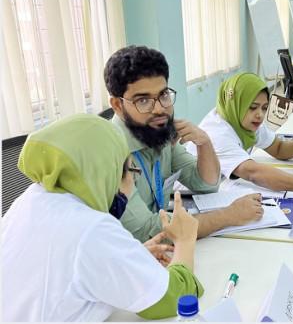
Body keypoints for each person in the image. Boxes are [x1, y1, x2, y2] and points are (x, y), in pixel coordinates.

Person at [1, 114, 203, 321]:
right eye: (131, 171)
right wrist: (185, 239)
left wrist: (124, 258)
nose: (131, 183)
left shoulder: (28, 200)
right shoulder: (92, 227)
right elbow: (172, 299)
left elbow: (59, 270)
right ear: (108, 172)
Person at [105, 45, 263, 242]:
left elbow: (205, 184)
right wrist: (230, 215)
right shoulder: (110, 155)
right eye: (143, 100)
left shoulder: (156, 133)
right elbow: (147, 231)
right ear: (118, 105)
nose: (160, 110)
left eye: (163, 95)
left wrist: (204, 142)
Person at [187, 73, 293, 204]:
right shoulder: (218, 133)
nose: (260, 114)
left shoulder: (244, 120)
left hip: (218, 188)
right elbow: (253, 173)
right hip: (192, 199)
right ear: (237, 104)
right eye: (253, 107)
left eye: (264, 108)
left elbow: (278, 148)